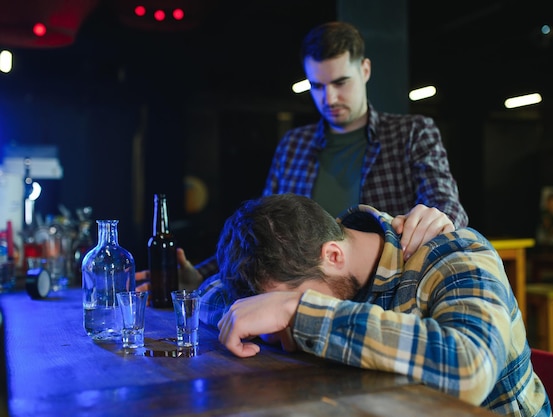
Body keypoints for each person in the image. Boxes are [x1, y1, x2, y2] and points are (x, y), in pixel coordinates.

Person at [139, 20, 468, 290]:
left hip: (387, 289)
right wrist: (201, 273)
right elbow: (261, 232)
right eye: (317, 86)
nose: (330, 97)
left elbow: (448, 207)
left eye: (341, 82)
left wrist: (438, 218)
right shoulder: (294, 144)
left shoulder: (412, 133)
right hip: (301, 292)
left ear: (365, 70)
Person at [200, 193, 551, 417]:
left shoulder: (454, 253)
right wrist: (265, 311)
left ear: (333, 255)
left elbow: (471, 370)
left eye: (296, 297)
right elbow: (213, 293)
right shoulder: (316, 260)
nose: (281, 329)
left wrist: (298, 311)